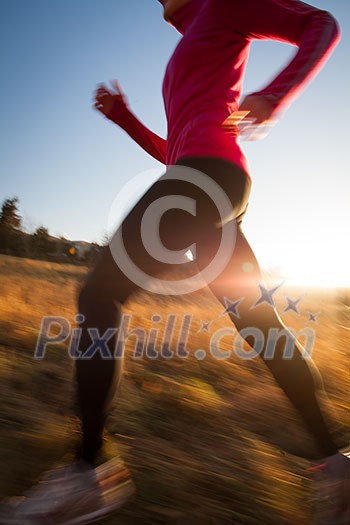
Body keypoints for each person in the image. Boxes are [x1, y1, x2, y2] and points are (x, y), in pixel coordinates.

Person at [5, 1, 349, 524]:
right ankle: (339, 465)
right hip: (205, 178)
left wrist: (273, 97)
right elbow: (174, 152)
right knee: (261, 325)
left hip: (210, 177)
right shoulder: (191, 43)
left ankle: (87, 473)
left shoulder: (226, 5)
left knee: (100, 293)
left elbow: (320, 24)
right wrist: (124, 119)